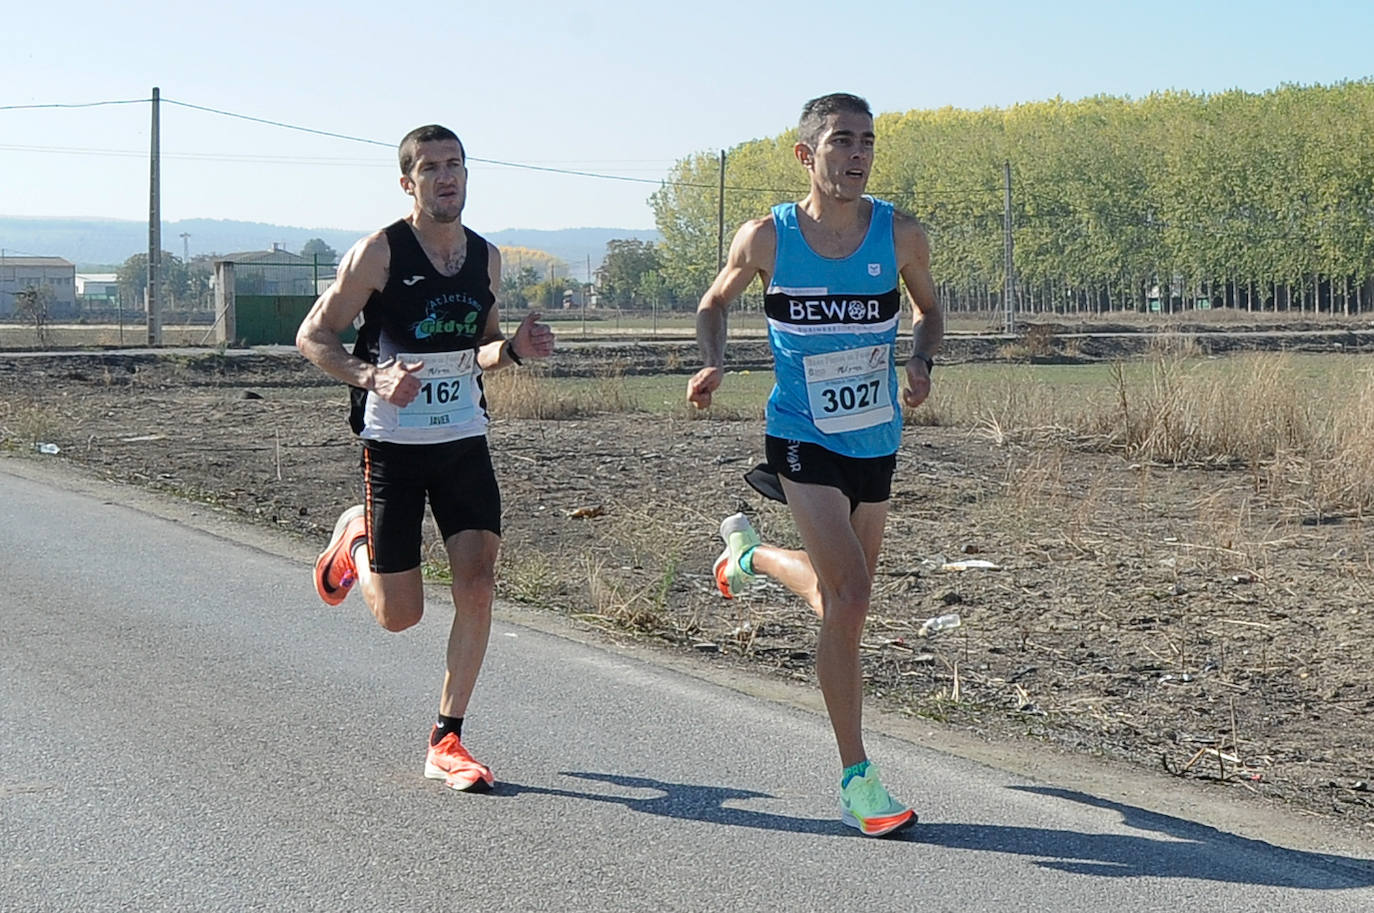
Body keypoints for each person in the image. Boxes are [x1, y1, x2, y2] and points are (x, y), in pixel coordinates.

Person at [686, 93, 942, 836]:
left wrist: (922, 361)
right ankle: (858, 779)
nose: (857, 154)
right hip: (800, 433)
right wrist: (713, 363)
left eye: (867, 141)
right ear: (807, 154)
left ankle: (749, 554)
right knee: (853, 593)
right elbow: (713, 302)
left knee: (840, 603)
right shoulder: (769, 236)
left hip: (876, 437)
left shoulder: (900, 235)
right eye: (841, 141)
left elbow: (929, 309)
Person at [295, 124, 554, 792]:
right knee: (398, 614)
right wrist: (371, 375)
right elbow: (313, 336)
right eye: (432, 168)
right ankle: (355, 540)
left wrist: (516, 348)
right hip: (395, 446)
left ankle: (448, 736)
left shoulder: (485, 259)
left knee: (478, 578)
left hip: (463, 439)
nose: (447, 178)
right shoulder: (379, 253)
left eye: (456, 166)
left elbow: (485, 347)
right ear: (407, 182)